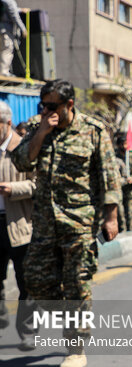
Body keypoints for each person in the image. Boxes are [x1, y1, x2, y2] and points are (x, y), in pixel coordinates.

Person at [10, 79, 121, 367]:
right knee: (35, 280)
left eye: (52, 106)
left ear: (69, 105)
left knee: (76, 286)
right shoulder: (39, 127)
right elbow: (21, 161)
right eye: (42, 105)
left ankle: (76, 348)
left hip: (79, 223)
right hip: (45, 223)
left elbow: (109, 178)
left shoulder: (93, 131)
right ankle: (75, 318)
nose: (45, 111)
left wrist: (111, 217)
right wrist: (42, 132)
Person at [0, 100, 36, 351]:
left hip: (19, 225)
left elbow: (39, 184)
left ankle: (28, 331)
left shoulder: (23, 148)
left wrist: (14, 189)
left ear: (7, 123)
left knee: (27, 282)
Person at [115, 133, 132, 231]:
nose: (124, 146)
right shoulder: (114, 157)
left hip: (130, 190)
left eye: (126, 144)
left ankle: (130, 230)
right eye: (122, 144)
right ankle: (122, 230)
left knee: (130, 213)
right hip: (118, 190)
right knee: (120, 213)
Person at [0, 0, 26, 77]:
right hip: (6, 30)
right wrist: (23, 29)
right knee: (7, 51)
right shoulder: (10, 1)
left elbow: (8, 10)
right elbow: (14, 15)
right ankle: (3, 72)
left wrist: (20, 10)